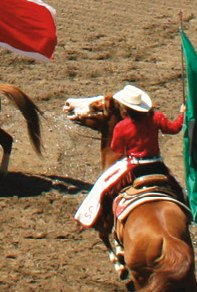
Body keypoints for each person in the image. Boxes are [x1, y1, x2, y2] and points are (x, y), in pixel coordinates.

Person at [74, 85, 184, 234]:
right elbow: (174, 128)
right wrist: (182, 113)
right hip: (157, 165)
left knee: (102, 187)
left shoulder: (121, 126)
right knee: (181, 191)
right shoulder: (157, 117)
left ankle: (96, 219)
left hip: (133, 167)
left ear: (125, 108)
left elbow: (117, 149)